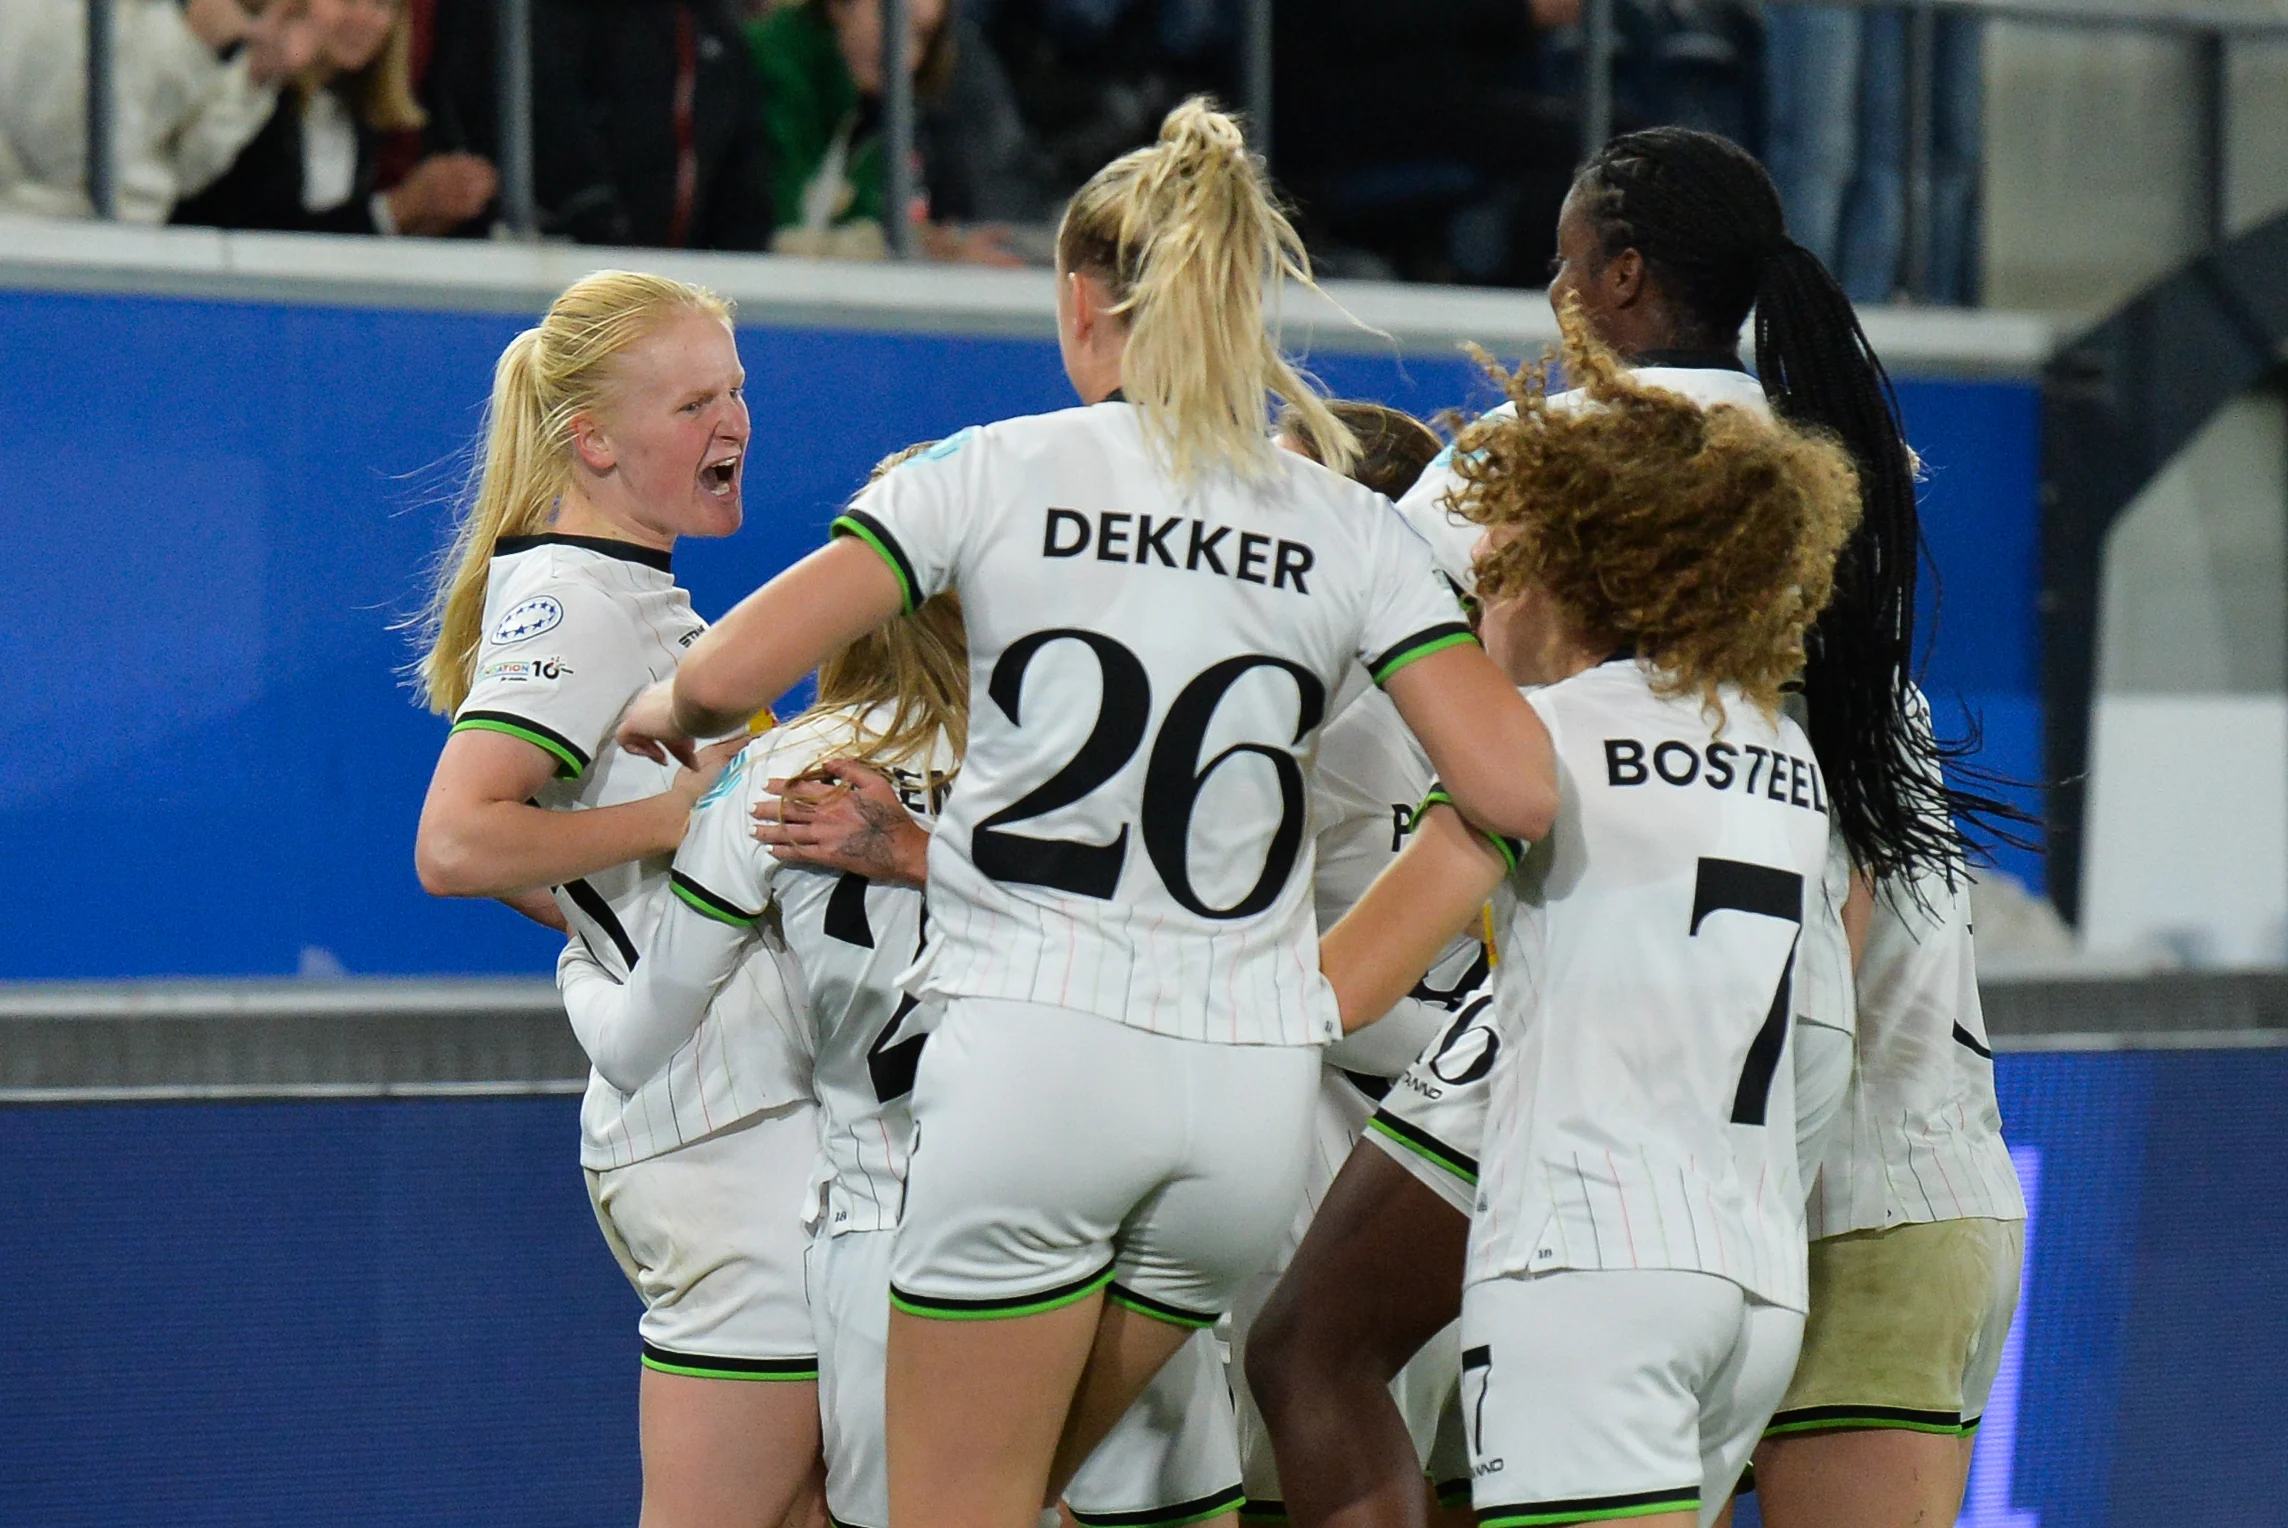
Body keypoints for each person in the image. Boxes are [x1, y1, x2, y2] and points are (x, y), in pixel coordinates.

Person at [614, 97, 1558, 1528]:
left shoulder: (995, 468)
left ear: (1080, 305)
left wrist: (671, 711)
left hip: (1040, 1070)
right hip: (1241, 1110)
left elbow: (729, 669)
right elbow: (1512, 792)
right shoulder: (1349, 528)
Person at [1247, 124, 1989, 1528]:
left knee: (1313, 1345)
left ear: (1625, 275)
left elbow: (1326, 675)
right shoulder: (1830, 502)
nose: (1552, 294)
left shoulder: (1547, 539)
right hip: (1774, 1128)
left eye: (1566, 262)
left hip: (1595, 1144)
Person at [563, 448, 1253, 1528]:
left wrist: (577, 959)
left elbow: (636, 1039)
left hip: (892, 1241)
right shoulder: (1097, 769)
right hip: (1102, 1218)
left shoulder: (782, 772)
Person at [1317, 322, 1862, 1528]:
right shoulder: (1777, 748)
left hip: (1586, 1263)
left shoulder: (1539, 748)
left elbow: (1338, 990)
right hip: (1753, 1289)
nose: (1477, 591)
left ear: (1564, 566)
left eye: (1492, 562)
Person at [409, 270, 823, 1528]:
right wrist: (699, 825)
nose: (734, 422)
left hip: (756, 1123)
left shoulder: (642, 596)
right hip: (717, 1142)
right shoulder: (574, 599)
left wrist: (621, 893)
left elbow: (556, 864)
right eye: (694, 400)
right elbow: (457, 840)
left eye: (737, 390)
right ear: (590, 438)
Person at [1751, 706, 2027, 1526]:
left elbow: (1816, 991)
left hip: (1861, 1228)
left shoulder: (1789, 698)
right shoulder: (1870, 685)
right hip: (1931, 1202)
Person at [422, 0, 773, 249]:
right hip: (569, 264)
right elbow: (549, 120)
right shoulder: (559, 16)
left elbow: (744, 162)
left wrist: (740, 256)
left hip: (680, 284)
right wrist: (600, 228)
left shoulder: (716, 29)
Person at [173, 0, 496, 236]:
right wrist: (394, 211)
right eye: (348, 0)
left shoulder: (360, 120)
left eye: (382, 5)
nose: (364, 18)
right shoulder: (244, 86)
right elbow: (253, 231)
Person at [747, 0, 1020, 263]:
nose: (906, 54)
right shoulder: (762, 72)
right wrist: (909, 250)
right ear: (840, 5)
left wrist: (930, 245)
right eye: (895, 21)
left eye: (922, 36)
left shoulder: (877, 113)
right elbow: (768, 237)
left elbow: (861, 222)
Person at [0, 0, 314, 224]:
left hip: (133, 253)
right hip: (37, 248)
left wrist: (253, 81)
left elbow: (188, 169)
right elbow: (65, 153)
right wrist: (193, 42)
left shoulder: (193, 15)